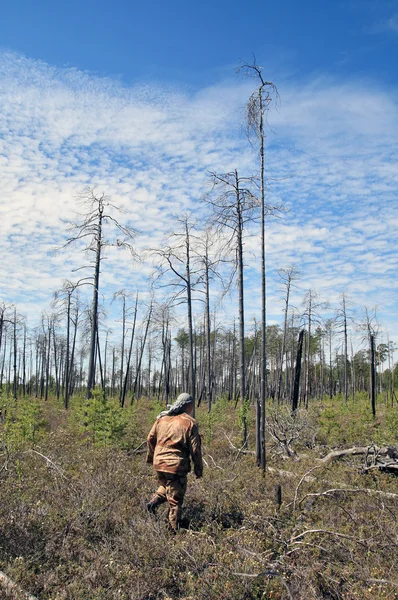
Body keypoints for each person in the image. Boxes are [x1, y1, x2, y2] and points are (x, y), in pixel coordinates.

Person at [146, 392, 203, 531]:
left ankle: (153, 503)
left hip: (159, 463)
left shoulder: (162, 419)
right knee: (175, 500)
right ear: (189, 406)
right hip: (175, 466)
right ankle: (173, 534)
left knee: (167, 485)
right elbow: (195, 450)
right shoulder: (190, 422)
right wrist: (198, 469)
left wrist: (152, 457)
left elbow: (150, 438)